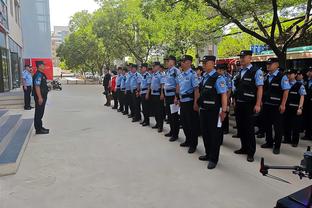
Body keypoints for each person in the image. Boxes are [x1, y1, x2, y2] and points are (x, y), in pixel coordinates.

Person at [198, 56, 228, 169]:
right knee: (205, 134)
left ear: (212, 63)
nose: (204, 65)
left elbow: (224, 95)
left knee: (214, 135)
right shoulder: (205, 77)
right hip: (204, 110)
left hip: (214, 112)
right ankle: (208, 154)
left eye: (206, 63)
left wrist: (224, 110)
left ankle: (213, 159)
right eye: (203, 62)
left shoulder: (218, 78)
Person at [233, 50, 264, 162]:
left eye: (243, 57)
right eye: (240, 57)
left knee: (249, 129)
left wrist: (257, 104)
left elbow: (260, 88)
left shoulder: (256, 71)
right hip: (239, 103)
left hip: (250, 104)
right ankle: (244, 147)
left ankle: (250, 152)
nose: (241, 59)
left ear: (250, 58)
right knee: (241, 127)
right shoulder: (240, 71)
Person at [261, 58, 290, 155]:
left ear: (277, 65)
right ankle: (269, 142)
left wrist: (283, 104)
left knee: (277, 127)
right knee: (267, 125)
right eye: (267, 64)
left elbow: (286, 90)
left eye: (271, 64)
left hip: (277, 106)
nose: (268, 65)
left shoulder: (282, 77)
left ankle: (277, 146)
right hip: (267, 105)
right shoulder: (266, 76)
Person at [175, 55, 200, 154]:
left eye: (183, 61)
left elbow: (196, 89)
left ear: (189, 62)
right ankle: (188, 140)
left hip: (190, 102)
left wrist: (196, 103)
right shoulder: (181, 75)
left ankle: (193, 144)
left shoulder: (192, 74)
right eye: (181, 61)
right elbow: (179, 88)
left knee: (192, 124)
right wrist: (177, 98)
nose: (181, 63)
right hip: (182, 102)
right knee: (184, 123)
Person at [283, 69, 306, 147]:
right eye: (288, 74)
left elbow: (302, 97)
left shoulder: (300, 85)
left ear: (295, 74)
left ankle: (295, 141)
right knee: (286, 124)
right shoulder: (285, 84)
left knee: (296, 126)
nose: (289, 75)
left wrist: (300, 108)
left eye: (291, 74)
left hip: (295, 108)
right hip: (287, 107)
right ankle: (287, 139)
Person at [164, 56, 181, 142]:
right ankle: (171, 131)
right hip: (167, 95)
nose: (167, 62)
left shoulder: (176, 71)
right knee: (169, 115)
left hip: (172, 96)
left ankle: (175, 134)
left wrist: (176, 97)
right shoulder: (167, 72)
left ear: (173, 62)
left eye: (168, 61)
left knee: (174, 116)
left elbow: (178, 84)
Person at [147, 62, 165, 133]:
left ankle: (160, 126)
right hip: (153, 94)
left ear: (158, 67)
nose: (153, 68)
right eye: (153, 66)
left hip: (158, 94)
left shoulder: (160, 74)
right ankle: (157, 123)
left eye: (154, 66)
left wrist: (162, 94)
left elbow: (162, 85)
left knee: (159, 111)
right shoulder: (153, 75)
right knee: (155, 111)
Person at [33, 61, 49, 134]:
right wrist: (40, 97)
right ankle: (38, 129)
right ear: (39, 66)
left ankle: (40, 127)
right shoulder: (38, 75)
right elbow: (37, 86)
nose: (44, 66)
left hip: (43, 96)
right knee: (39, 113)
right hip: (40, 97)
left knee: (40, 112)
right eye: (43, 65)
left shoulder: (41, 74)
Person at [216, 63, 232, 135]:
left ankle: (225, 128)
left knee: (225, 113)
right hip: (219, 99)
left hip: (226, 97)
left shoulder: (227, 77)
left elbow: (229, 89)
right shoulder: (216, 76)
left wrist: (227, 98)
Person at [302, 66, 312, 141]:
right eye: (309, 71)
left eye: (311, 71)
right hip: (306, 103)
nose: (309, 73)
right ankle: (307, 134)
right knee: (307, 119)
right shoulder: (305, 81)